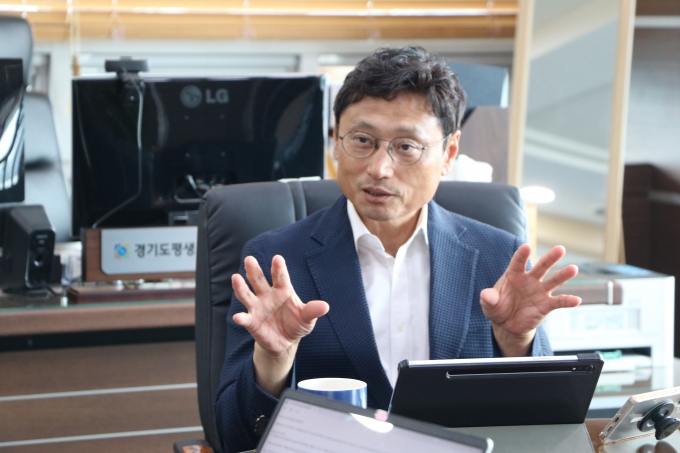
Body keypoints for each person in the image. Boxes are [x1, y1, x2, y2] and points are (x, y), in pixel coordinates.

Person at [215, 46, 581, 452]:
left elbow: (546, 430)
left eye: (406, 146)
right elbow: (232, 436)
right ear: (335, 140)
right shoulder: (276, 262)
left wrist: (518, 343)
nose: (379, 168)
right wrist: (273, 361)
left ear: (449, 154)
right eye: (362, 140)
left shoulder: (499, 259)